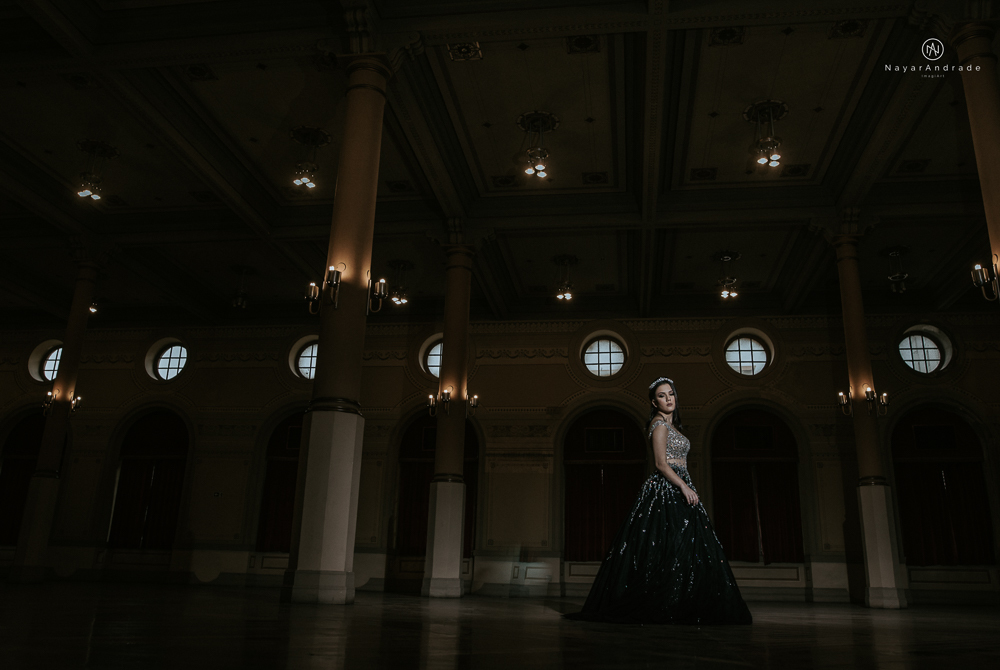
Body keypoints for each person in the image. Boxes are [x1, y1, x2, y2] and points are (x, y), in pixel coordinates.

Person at [565, 377, 752, 625]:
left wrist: (686, 484)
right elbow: (661, 464)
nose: (669, 398)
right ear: (654, 402)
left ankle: (680, 602)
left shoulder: (672, 426)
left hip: (680, 484)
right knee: (667, 547)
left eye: (671, 393)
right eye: (662, 396)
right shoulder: (659, 425)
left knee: (685, 549)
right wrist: (684, 486)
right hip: (667, 489)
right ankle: (664, 603)